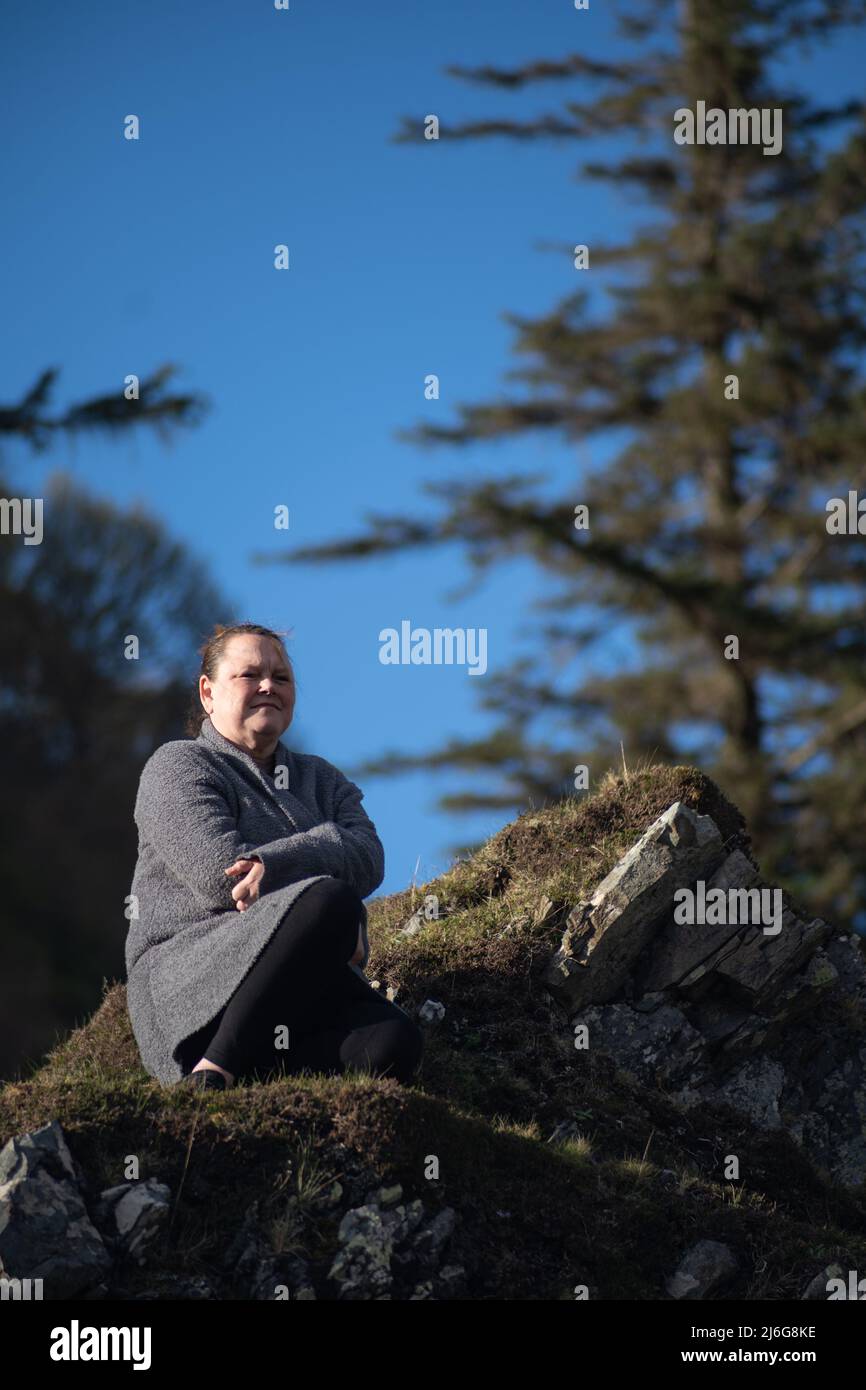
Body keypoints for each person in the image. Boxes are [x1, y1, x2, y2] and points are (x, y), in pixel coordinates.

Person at [124, 621, 423, 1091]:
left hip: (296, 983)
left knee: (393, 1042)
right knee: (330, 901)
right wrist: (326, 877)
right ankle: (212, 1074)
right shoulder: (178, 765)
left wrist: (279, 865)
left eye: (281, 678)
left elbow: (369, 856)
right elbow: (224, 879)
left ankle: (254, 1079)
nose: (268, 686)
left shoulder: (321, 779)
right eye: (249, 675)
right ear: (208, 692)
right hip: (190, 979)